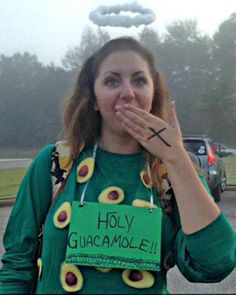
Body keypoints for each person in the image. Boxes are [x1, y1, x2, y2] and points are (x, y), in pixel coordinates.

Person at [0, 36, 235, 294]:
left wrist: (176, 158)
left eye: (139, 80)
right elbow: (16, 266)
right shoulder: (55, 163)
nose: (128, 92)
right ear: (93, 98)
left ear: (152, 94)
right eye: (112, 81)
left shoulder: (170, 172)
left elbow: (216, 263)